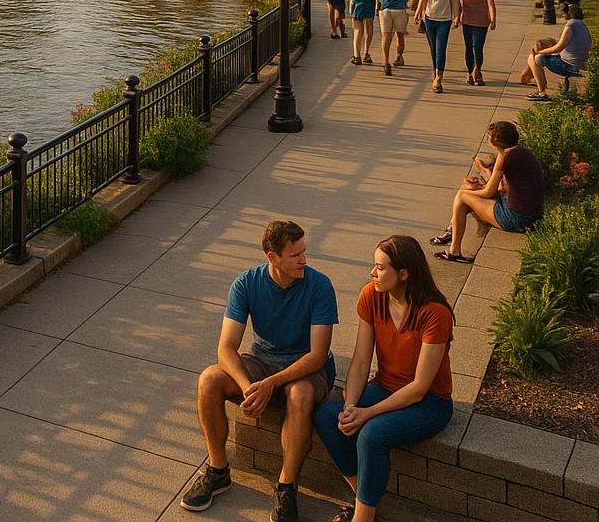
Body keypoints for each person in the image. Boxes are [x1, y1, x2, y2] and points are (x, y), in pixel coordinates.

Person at [183, 221, 338, 519]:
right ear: (272, 257)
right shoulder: (246, 284)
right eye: (295, 255)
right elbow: (226, 348)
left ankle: (286, 487)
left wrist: (270, 384)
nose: (304, 259)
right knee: (210, 379)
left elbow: (318, 355)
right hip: (263, 359)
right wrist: (248, 387)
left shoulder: (320, 286)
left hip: (305, 367)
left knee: (301, 395)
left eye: (304, 252)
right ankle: (218, 472)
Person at [314, 237, 454, 522]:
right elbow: (361, 361)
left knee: (372, 433)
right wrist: (351, 407)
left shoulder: (435, 314)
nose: (372, 273)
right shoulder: (371, 296)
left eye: (380, 268)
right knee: (329, 416)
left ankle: (362, 517)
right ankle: (362, 498)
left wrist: (367, 413)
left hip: (430, 403)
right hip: (385, 387)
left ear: (404, 273)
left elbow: (419, 388)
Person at [431, 121, 545, 263]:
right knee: (467, 193)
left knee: (462, 195)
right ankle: (452, 231)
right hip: (531, 214)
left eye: (488, 137)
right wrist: (485, 173)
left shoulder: (505, 157)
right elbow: (502, 188)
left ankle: (454, 250)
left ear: (494, 141)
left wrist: (472, 190)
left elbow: (489, 193)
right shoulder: (523, 152)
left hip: (517, 218)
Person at [526, 3, 592, 101]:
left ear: (567, 15)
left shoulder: (569, 26)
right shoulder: (583, 25)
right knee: (541, 56)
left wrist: (541, 51)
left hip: (570, 66)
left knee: (534, 58)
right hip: (581, 64)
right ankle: (530, 79)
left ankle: (541, 92)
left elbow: (559, 47)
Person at [413, 0, 460, 93]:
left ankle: (439, 77)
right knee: (433, 48)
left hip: (444, 20)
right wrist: (417, 14)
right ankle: (435, 71)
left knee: (440, 48)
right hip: (429, 18)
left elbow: (454, 0)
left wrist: (456, 16)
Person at [458, 0, 497, 86]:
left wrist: (493, 18)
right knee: (469, 47)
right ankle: (470, 72)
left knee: (478, 47)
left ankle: (477, 70)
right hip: (467, 21)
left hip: (481, 22)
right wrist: (456, 17)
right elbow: (459, 4)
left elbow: (490, 3)